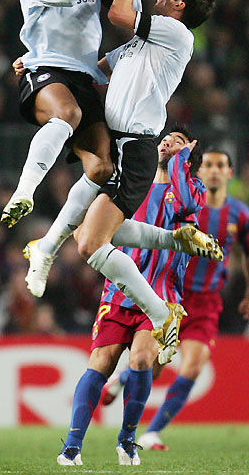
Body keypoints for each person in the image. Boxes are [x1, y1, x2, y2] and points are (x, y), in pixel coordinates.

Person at [24, 0, 221, 359]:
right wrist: (37, 65)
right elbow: (95, 72)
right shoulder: (140, 45)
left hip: (136, 148)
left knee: (91, 243)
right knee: (86, 224)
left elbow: (118, 14)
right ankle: (49, 247)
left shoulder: (175, 32)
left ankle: (162, 314)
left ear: (179, 4)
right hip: (117, 143)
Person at [56, 125, 207, 466]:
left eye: (180, 141)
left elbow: (185, 204)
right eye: (167, 137)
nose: (169, 140)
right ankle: (72, 446)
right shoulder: (128, 186)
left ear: (188, 156)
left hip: (162, 296)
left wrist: (181, 160)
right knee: (101, 363)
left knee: (141, 361)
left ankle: (127, 441)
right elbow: (89, 225)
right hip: (119, 294)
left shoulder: (191, 190)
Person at [104, 148, 249, 451]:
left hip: (207, 302)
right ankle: (124, 376)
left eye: (219, 165)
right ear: (198, 171)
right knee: (152, 367)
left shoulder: (240, 213)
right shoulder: (187, 203)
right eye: (207, 164)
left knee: (193, 366)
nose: (212, 170)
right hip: (171, 294)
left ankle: (152, 433)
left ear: (228, 173)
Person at [1, 0, 135, 230]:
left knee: (103, 167)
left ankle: (54, 238)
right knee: (67, 114)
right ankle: (24, 191)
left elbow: (120, 7)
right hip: (45, 70)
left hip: (84, 78)